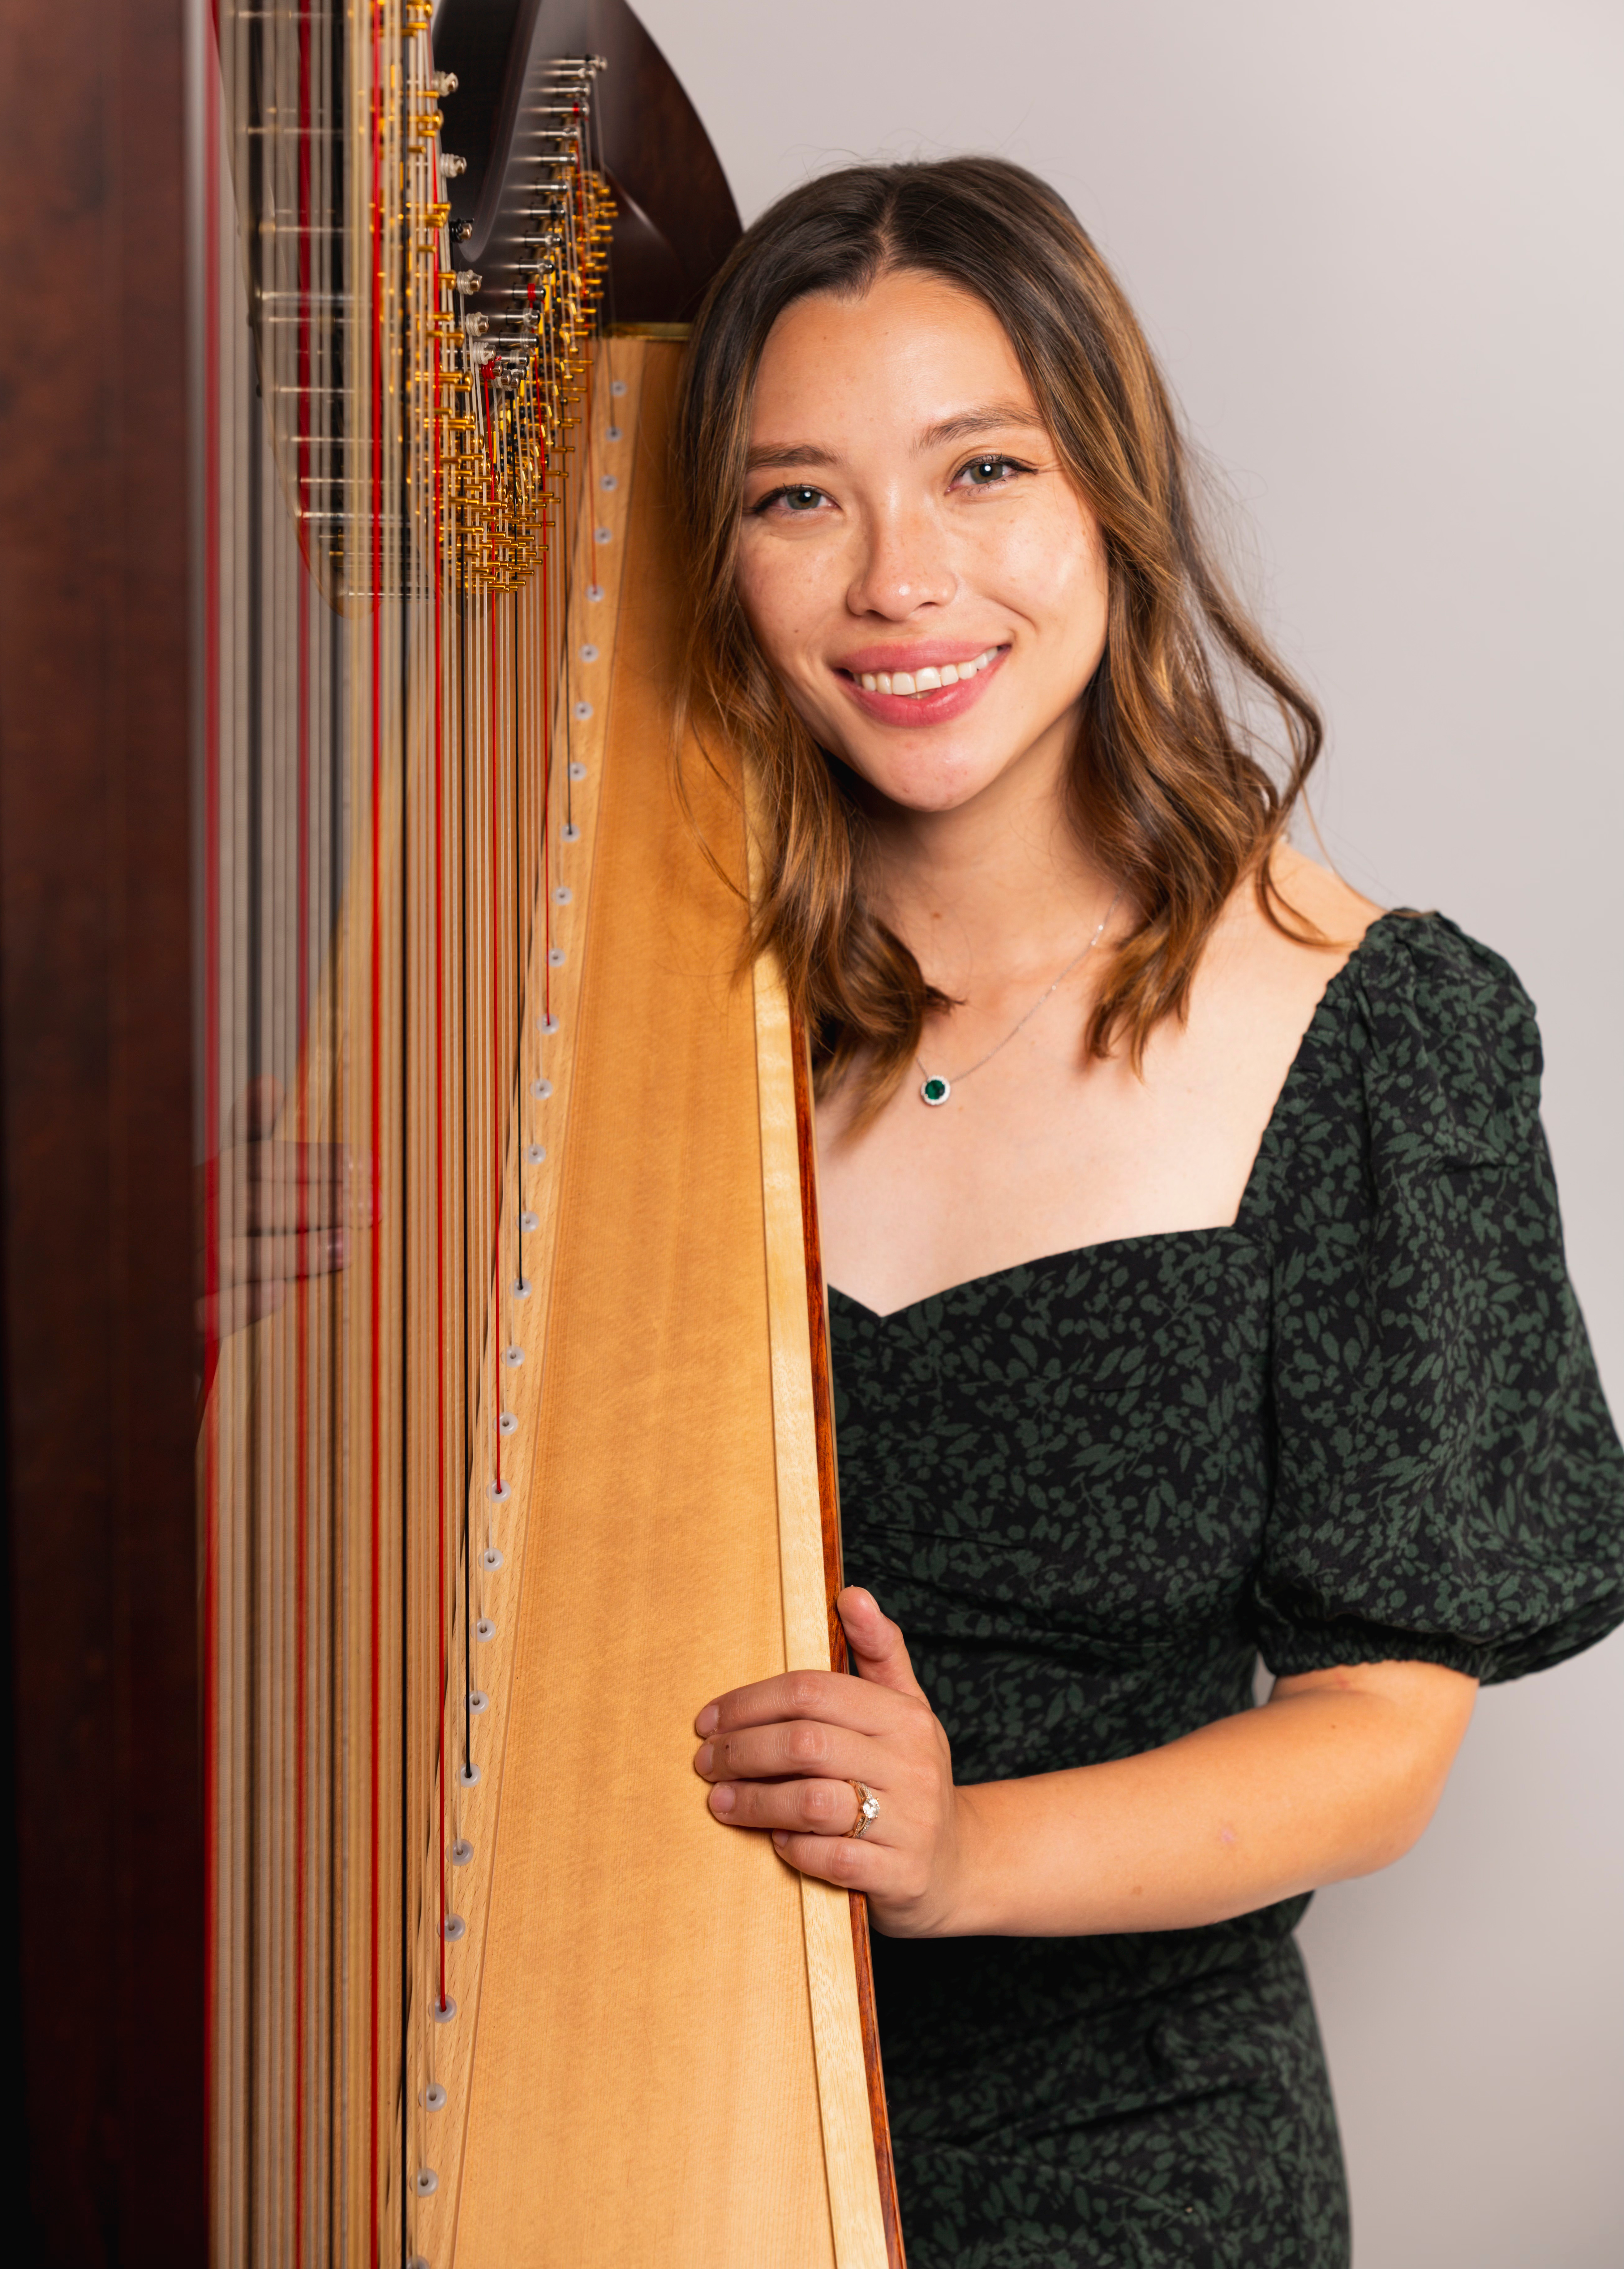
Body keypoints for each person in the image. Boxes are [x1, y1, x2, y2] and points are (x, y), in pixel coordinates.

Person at [679, 158, 1624, 2268]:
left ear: (1113, 496)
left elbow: (1380, 1742)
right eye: (799, 497)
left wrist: (957, 1853)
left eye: (981, 470)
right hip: (653, 2104)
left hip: (1129, 2164)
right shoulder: (631, 1031)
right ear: (722, 562)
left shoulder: (1372, 1032)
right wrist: (271, 1296)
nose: (899, 580)